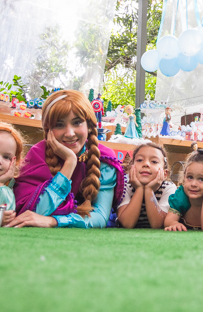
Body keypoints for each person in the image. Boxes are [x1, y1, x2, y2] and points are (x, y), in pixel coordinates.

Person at [9, 90, 124, 228]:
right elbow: (33, 213)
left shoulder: (104, 158)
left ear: (89, 125)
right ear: (48, 129)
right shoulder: (37, 155)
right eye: (59, 125)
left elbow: (100, 217)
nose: (70, 133)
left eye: (77, 123)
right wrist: (70, 163)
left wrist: (55, 221)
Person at [164, 149, 203, 231]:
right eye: (190, 177)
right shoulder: (181, 195)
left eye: (201, 179)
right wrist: (174, 223)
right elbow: (169, 220)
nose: (193, 184)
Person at [117, 143, 177, 229]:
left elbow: (158, 225)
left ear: (165, 173)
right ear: (131, 168)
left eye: (154, 161)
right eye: (140, 160)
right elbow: (127, 223)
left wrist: (149, 190)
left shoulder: (168, 188)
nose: (146, 164)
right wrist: (139, 189)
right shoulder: (125, 185)